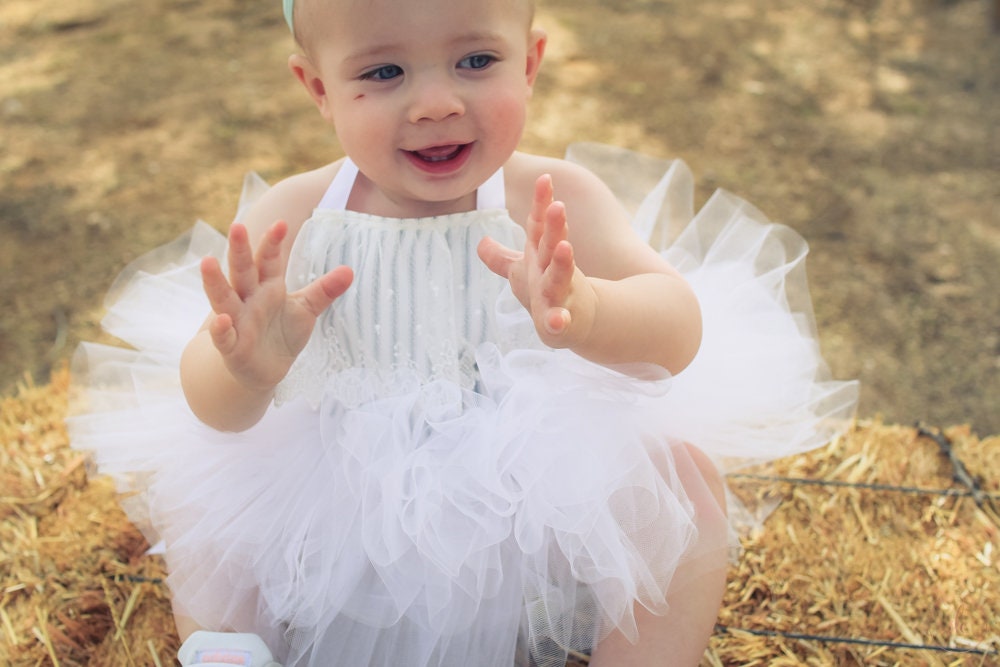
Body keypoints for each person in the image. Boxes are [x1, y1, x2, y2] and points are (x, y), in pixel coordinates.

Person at [68, 0, 858, 665]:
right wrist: (247, 367)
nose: (437, 102)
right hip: (339, 501)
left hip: (525, 500)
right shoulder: (293, 220)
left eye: (476, 61)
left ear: (531, 62)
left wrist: (588, 311)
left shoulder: (551, 198)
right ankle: (232, 648)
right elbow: (212, 412)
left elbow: (678, 328)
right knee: (205, 505)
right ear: (317, 87)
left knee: (684, 481)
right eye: (384, 72)